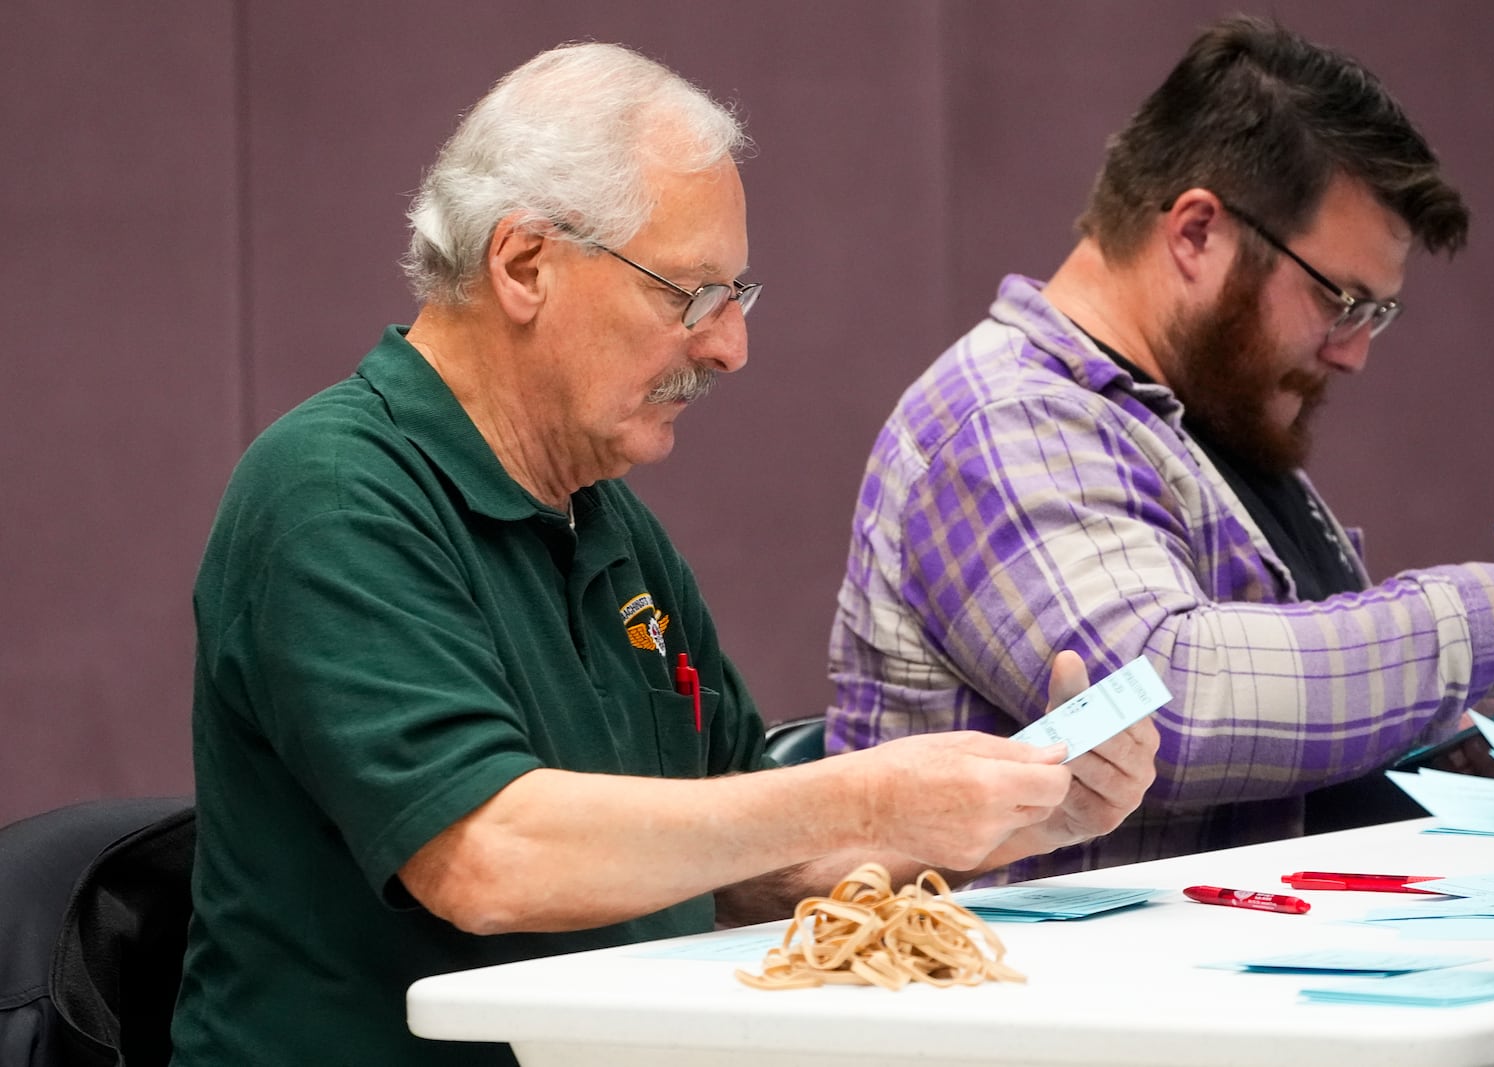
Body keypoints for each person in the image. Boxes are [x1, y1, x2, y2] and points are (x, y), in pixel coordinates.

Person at [168, 43, 1157, 1067]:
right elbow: (489, 856)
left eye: (738, 296)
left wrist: (1013, 816)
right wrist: (874, 794)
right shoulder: (330, 491)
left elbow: (742, 867)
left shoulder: (603, 516)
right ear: (522, 265)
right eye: (690, 294)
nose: (729, 346)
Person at [827, 15, 1494, 886]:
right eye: (1341, 299)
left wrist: (1480, 755)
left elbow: (1289, 775)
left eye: (1376, 313)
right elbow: (1172, 703)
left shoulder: (1206, 430)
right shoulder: (1006, 419)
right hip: (1035, 1007)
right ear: (1196, 231)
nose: (1354, 349)